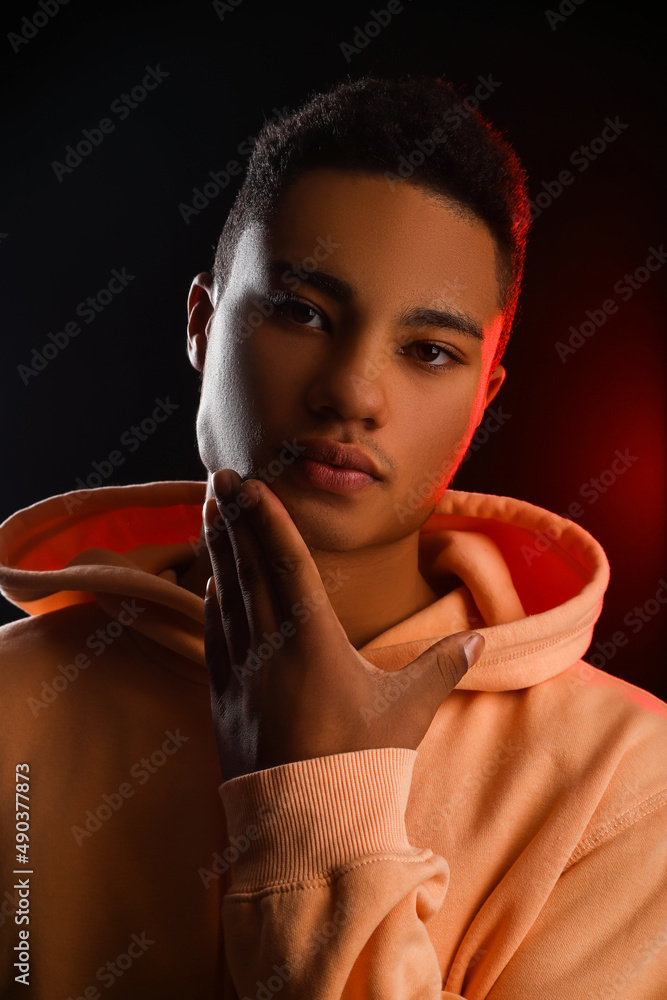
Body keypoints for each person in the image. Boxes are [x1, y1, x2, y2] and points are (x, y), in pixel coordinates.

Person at [1, 74, 666, 999]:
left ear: (484, 399)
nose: (353, 394)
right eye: (302, 311)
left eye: (429, 350)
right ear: (201, 325)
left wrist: (316, 805)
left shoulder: (630, 781)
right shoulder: (11, 701)